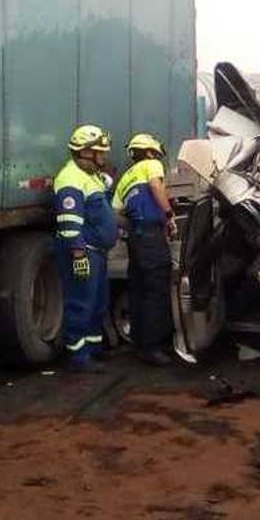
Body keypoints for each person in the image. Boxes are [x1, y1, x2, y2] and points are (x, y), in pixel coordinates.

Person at [54, 124, 119, 373]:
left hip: (97, 252)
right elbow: (70, 223)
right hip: (84, 252)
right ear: (84, 153)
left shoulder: (88, 176)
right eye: (99, 153)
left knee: (97, 302)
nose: (102, 158)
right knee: (81, 302)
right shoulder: (70, 179)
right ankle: (78, 356)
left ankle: (93, 348)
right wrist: (78, 254)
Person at [113, 133, 177, 366]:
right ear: (150, 151)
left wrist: (133, 229)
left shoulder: (124, 178)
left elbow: (116, 214)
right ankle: (154, 347)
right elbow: (155, 185)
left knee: (138, 290)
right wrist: (168, 215)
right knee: (156, 290)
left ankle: (140, 345)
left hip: (136, 239)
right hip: (151, 237)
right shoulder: (151, 165)